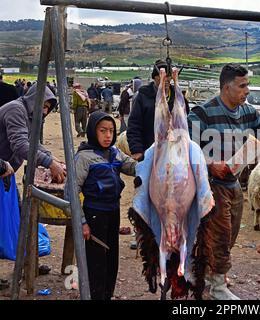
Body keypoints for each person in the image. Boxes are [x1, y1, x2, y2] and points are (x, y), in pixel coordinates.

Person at [187, 63, 260, 300]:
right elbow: (187, 148)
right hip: (210, 186)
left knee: (232, 233)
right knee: (221, 234)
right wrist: (210, 163)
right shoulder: (202, 113)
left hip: (234, 183)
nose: (247, 90)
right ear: (226, 87)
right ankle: (217, 287)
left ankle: (205, 272)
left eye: (247, 84)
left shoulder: (248, 112)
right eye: (242, 85)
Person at [74, 111, 137, 300]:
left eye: (111, 131)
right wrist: (82, 222)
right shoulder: (84, 157)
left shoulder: (115, 153)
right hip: (94, 215)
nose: (108, 135)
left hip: (113, 213)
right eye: (103, 130)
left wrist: (154, 160)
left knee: (111, 259)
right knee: (96, 263)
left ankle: (107, 296)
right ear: (93, 131)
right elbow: (71, 191)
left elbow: (133, 167)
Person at [0, 83, 66, 182]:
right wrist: (49, 163)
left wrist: (50, 156)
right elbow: (20, 145)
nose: (45, 111)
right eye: (44, 106)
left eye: (48, 108)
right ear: (34, 100)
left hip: (5, 171)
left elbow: (32, 142)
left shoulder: (29, 115)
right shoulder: (16, 109)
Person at [127, 59, 190, 161]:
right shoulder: (143, 96)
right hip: (149, 152)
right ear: (155, 78)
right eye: (161, 77)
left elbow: (187, 122)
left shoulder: (178, 98)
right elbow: (134, 125)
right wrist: (137, 149)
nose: (166, 80)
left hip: (175, 153)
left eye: (168, 77)